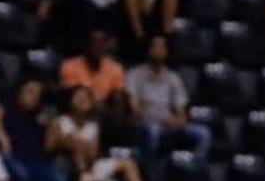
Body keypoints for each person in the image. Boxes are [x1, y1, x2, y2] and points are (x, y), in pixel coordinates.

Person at [128, 34, 209, 162]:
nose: (159, 50)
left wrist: (178, 121)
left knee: (203, 133)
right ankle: (151, 171)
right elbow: (135, 110)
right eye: (156, 46)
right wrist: (157, 119)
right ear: (148, 50)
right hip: (147, 123)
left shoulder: (173, 77)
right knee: (152, 131)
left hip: (168, 124)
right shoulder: (135, 74)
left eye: (162, 47)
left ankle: (191, 169)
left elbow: (181, 111)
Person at [58, 30, 126, 103]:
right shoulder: (69, 66)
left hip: (108, 111)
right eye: (94, 42)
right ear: (86, 45)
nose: (97, 47)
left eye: (101, 43)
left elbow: (118, 95)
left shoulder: (116, 69)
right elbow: (74, 98)